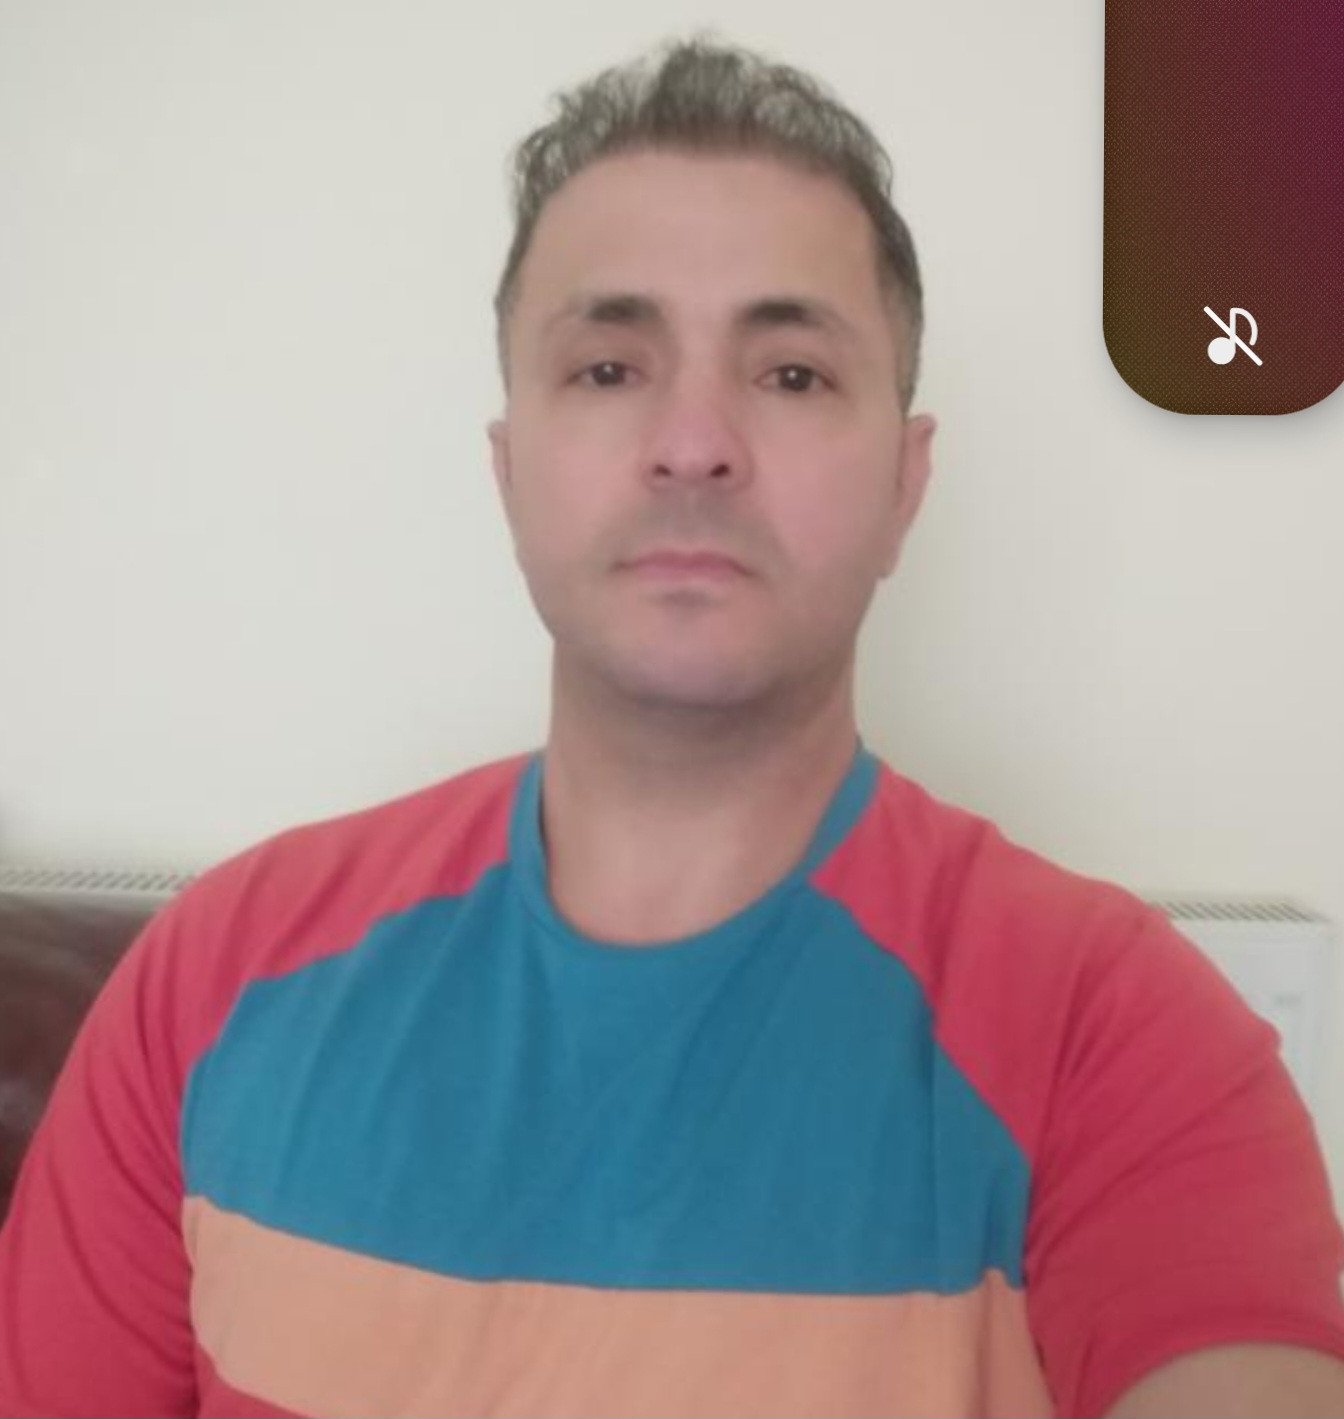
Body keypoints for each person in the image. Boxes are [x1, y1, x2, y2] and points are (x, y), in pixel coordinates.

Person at [3, 31, 1344, 1419]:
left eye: (791, 374)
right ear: (510, 469)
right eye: (607, 368)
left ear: (905, 487)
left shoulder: (1122, 1035)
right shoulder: (209, 979)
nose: (693, 442)